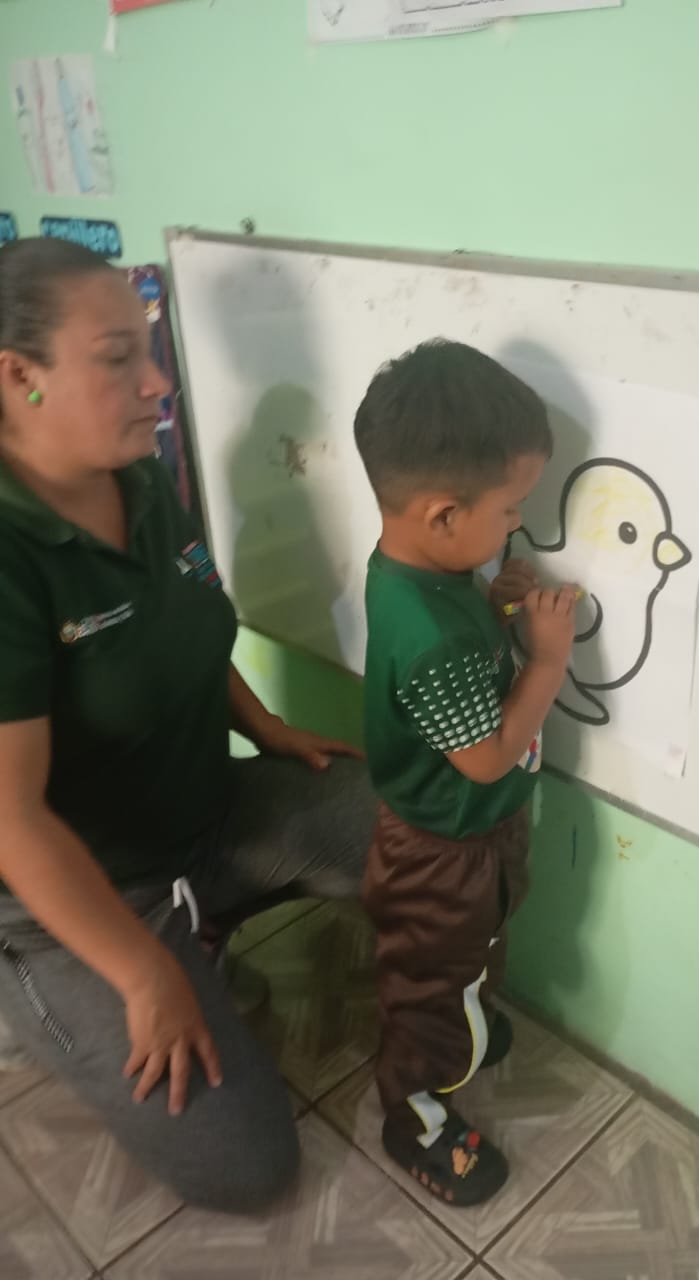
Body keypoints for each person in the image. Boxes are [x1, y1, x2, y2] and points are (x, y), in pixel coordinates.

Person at [0, 237, 375, 1212]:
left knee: (406, 827)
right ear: (18, 375)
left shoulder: (136, 480)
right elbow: (12, 818)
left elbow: (187, 624)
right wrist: (140, 972)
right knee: (246, 1166)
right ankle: (38, 991)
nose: (157, 383)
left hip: (201, 821)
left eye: (151, 349)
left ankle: (195, 936)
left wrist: (269, 724)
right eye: (117, 357)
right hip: (77, 897)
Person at [354, 339, 576, 1206]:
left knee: (469, 955)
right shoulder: (428, 634)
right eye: (511, 507)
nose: (517, 523)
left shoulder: (429, 576)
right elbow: (484, 759)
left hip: (467, 837)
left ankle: (464, 1010)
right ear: (444, 516)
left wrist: (496, 602)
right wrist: (546, 660)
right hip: (443, 851)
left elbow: (459, 661)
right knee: (429, 987)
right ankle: (413, 1107)